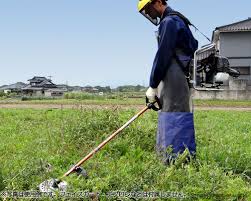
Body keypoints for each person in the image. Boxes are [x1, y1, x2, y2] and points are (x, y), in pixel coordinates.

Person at [138, 0, 198, 164]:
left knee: (174, 114)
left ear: (158, 2)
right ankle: (172, 156)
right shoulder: (178, 19)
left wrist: (153, 84)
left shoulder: (169, 22)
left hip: (174, 73)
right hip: (178, 72)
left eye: (148, 9)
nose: (149, 14)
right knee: (171, 112)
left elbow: (163, 54)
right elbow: (194, 45)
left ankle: (175, 160)